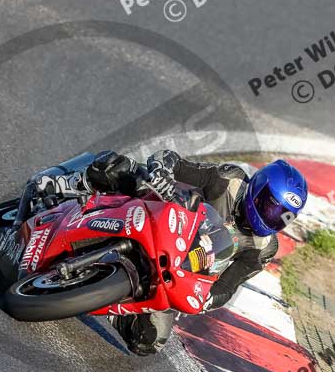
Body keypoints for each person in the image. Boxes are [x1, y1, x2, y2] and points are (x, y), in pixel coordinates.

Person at [69, 150, 308, 356]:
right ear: (258, 187)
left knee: (149, 340)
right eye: (270, 206)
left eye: (282, 216)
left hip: (179, 269)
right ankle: (69, 185)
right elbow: (174, 162)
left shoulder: (264, 248)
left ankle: (107, 301)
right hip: (161, 219)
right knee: (118, 168)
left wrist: (205, 299)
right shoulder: (228, 181)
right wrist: (162, 171)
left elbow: (227, 286)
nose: (272, 217)